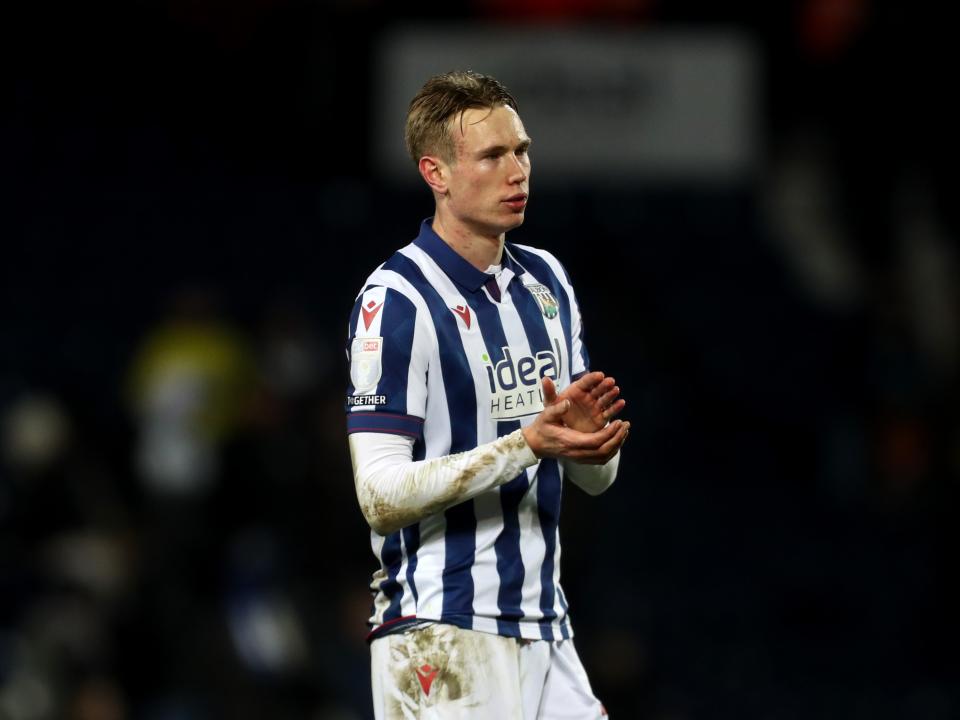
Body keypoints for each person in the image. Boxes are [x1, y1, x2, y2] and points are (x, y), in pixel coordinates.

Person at [345, 70, 629, 719]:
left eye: (522, 151)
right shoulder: (396, 300)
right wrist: (526, 443)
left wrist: (591, 447)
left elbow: (595, 479)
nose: (517, 171)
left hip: (544, 629)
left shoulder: (545, 282)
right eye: (492, 156)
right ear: (436, 173)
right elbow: (379, 496)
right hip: (440, 635)